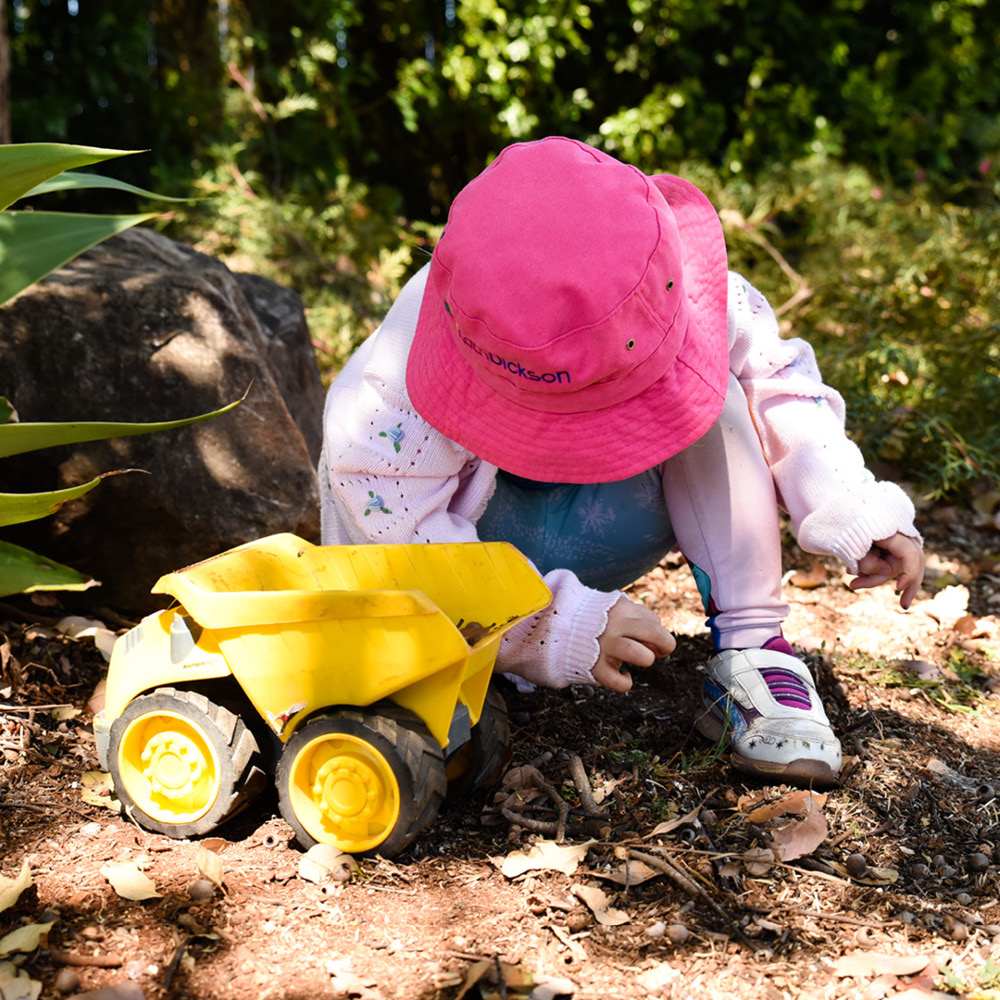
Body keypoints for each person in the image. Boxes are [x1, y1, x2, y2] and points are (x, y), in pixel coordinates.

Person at [318, 136, 924, 787]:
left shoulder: (665, 284)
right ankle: (487, 658)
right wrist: (555, 623)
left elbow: (777, 380)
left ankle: (753, 649)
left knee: (716, 393)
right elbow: (404, 546)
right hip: (475, 552)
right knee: (434, 613)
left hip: (605, 516)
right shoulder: (388, 396)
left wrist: (848, 500)